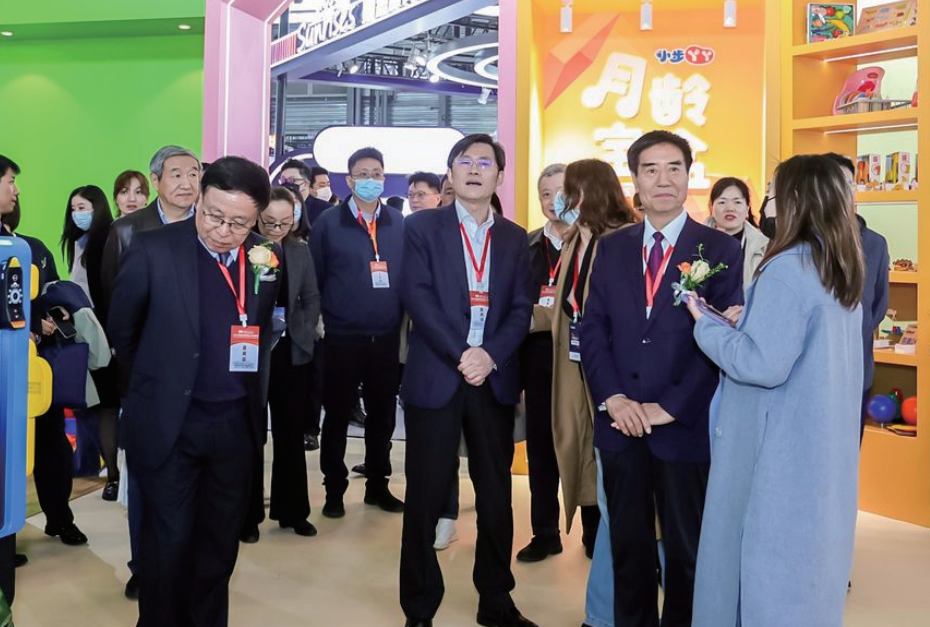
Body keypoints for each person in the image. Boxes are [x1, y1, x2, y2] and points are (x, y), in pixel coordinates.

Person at [688, 154, 865, 627]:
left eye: (771, 193)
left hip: (775, 450)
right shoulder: (838, 266)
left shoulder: (786, 269)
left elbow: (760, 364)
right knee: (806, 573)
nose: (767, 203)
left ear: (794, 200)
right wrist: (745, 322)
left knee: (758, 570)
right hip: (818, 448)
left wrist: (704, 325)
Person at [579, 130, 744, 627]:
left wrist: (671, 406)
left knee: (686, 551)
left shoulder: (718, 248)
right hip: (621, 422)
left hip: (683, 425)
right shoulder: (612, 247)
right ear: (635, 179)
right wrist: (613, 397)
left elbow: (720, 339)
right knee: (627, 549)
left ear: (689, 176)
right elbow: (593, 328)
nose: (663, 179)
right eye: (650, 169)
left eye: (674, 168)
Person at [109, 156, 278, 627]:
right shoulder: (152, 249)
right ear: (200, 198)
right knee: (166, 547)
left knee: (218, 547)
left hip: (234, 426)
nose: (223, 230)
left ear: (257, 218)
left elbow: (260, 329)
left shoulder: (265, 257)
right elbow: (123, 333)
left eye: (239, 223)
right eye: (213, 215)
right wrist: (155, 389)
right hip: (171, 425)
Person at [399, 134, 537, 627]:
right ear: (451, 174)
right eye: (465, 162)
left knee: (496, 496)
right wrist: (463, 354)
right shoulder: (420, 227)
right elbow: (417, 297)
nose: (475, 169)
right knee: (425, 495)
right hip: (439, 373)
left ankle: (496, 599)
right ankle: (419, 608)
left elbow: (521, 308)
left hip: (492, 379)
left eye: (485, 162)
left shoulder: (515, 238)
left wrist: (490, 355)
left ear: (500, 176)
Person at [99, 144, 202, 600]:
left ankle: (186, 566)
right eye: (176, 174)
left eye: (194, 174)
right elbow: (115, 309)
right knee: (146, 478)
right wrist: (142, 368)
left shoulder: (209, 227)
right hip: (146, 379)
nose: (187, 182)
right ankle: (144, 565)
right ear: (156, 181)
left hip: (199, 381)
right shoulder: (127, 230)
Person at [310, 147, 405, 518]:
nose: (370, 180)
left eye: (376, 173)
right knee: (337, 415)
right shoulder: (329, 223)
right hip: (341, 336)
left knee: (383, 416)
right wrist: (319, 321)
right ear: (349, 181)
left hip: (386, 336)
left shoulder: (397, 222)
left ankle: (377, 486)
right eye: (362, 174)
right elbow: (315, 277)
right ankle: (334, 490)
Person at [242, 187, 321, 542]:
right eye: (269, 222)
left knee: (291, 433)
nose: (276, 229)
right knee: (250, 434)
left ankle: (293, 511)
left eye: (285, 222)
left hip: (290, 350)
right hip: (251, 352)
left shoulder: (299, 250)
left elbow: (311, 297)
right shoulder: (243, 248)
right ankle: (247, 515)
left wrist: (301, 329)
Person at [513, 163, 569, 563]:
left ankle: (594, 532)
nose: (553, 201)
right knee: (541, 450)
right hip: (535, 360)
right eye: (545, 194)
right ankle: (545, 533)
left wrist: (543, 315)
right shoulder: (527, 245)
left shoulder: (595, 243)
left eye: (561, 193)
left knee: (584, 449)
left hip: (580, 363)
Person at [822, 152, 890, 442]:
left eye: (849, 183)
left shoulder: (875, 243)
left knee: (849, 453)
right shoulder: (805, 242)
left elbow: (878, 305)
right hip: (813, 375)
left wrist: (852, 330)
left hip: (857, 369)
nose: (843, 190)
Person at [60, 185, 121, 500]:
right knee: (103, 408)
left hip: (111, 336)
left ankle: (119, 474)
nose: (77, 214)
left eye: (82, 207)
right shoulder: (78, 243)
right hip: (90, 337)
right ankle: (112, 474)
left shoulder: (108, 240)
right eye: (73, 209)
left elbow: (108, 294)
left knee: (111, 407)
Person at [706, 177, 768, 287]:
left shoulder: (764, 246)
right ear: (711, 207)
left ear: (747, 208)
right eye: (722, 202)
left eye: (737, 202)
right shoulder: (695, 242)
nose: (730, 208)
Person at [279, 159, 333, 224]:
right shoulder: (277, 207)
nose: (286, 184)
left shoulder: (325, 210)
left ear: (306, 183)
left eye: (292, 180)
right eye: (283, 180)